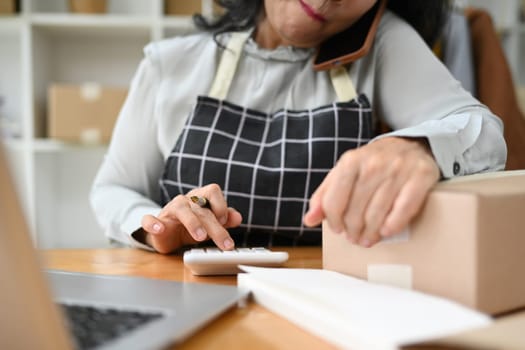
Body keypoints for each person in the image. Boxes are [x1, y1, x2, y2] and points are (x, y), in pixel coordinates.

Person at [90, 0, 506, 254]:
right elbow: (112, 188)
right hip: (185, 296)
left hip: (327, 311)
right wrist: (156, 227)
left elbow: (484, 132)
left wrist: (418, 147)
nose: (325, 0)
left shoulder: (385, 46)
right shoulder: (170, 63)